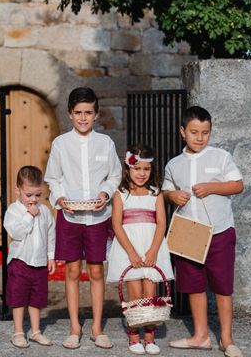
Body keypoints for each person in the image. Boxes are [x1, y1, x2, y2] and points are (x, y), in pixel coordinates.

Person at [162, 106, 244, 357]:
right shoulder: (174, 164)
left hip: (219, 231)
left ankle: (227, 339)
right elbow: (166, 190)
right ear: (182, 132)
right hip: (189, 232)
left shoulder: (220, 157)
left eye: (205, 132)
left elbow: (237, 185)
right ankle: (200, 336)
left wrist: (212, 187)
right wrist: (172, 195)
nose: (200, 137)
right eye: (194, 132)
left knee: (222, 286)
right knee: (194, 285)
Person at [44, 87, 122, 350]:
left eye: (88, 112)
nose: (83, 118)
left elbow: (114, 175)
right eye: (78, 113)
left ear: (96, 114)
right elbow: (53, 177)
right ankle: (74, 326)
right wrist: (61, 198)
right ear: (70, 114)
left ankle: (97, 327)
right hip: (70, 216)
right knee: (73, 271)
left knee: (97, 271)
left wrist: (105, 192)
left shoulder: (106, 144)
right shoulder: (60, 144)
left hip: (99, 216)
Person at [107, 144, 174, 355]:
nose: (141, 174)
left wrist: (154, 251)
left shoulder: (156, 194)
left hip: (151, 246)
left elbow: (161, 223)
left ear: (151, 170)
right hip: (130, 248)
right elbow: (117, 224)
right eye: (137, 169)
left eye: (146, 169)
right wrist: (132, 253)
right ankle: (134, 335)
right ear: (128, 169)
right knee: (135, 294)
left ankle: (150, 337)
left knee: (151, 292)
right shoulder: (121, 194)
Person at [3, 166, 56, 348]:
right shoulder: (13, 211)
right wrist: (28, 216)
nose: (33, 200)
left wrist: (50, 256)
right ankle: (18, 332)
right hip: (20, 262)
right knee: (18, 298)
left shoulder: (45, 211)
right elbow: (16, 233)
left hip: (39, 263)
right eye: (28, 195)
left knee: (37, 299)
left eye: (37, 195)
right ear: (18, 190)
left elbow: (51, 234)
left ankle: (35, 331)